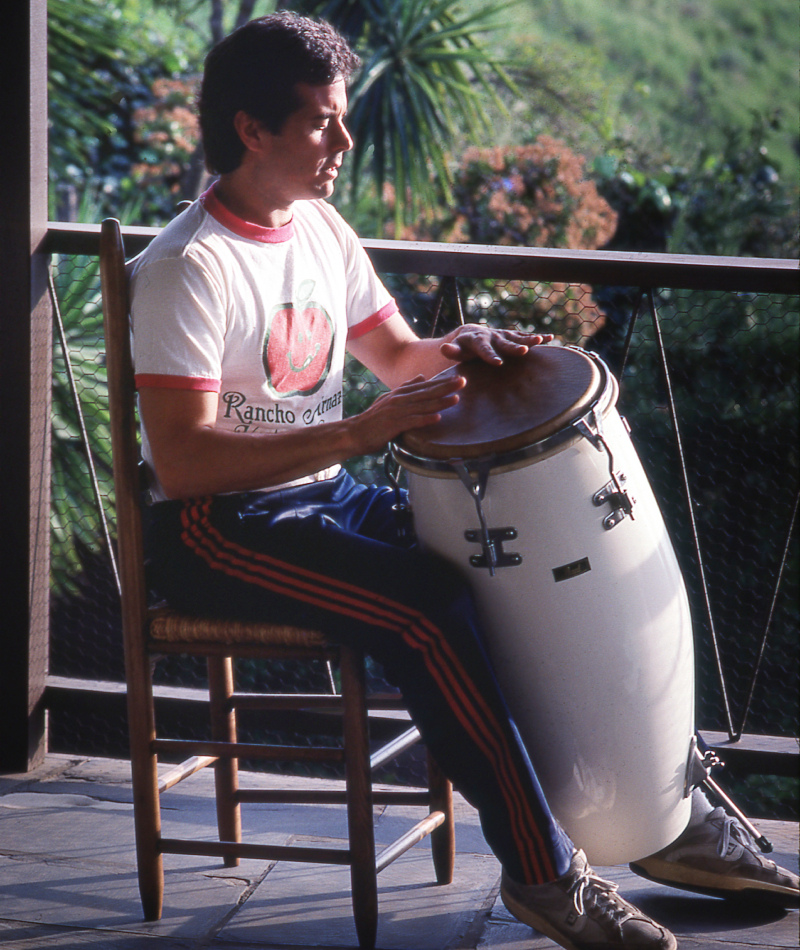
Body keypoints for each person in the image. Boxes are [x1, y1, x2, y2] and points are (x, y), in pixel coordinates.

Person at [129, 12, 799, 950]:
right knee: (424, 607)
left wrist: (467, 351)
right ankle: (544, 874)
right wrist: (357, 429)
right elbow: (186, 460)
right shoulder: (184, 269)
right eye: (323, 121)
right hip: (215, 527)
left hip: (319, 493)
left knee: (508, 559)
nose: (343, 142)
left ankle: (663, 816)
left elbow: (401, 356)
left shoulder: (318, 228)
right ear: (252, 129)